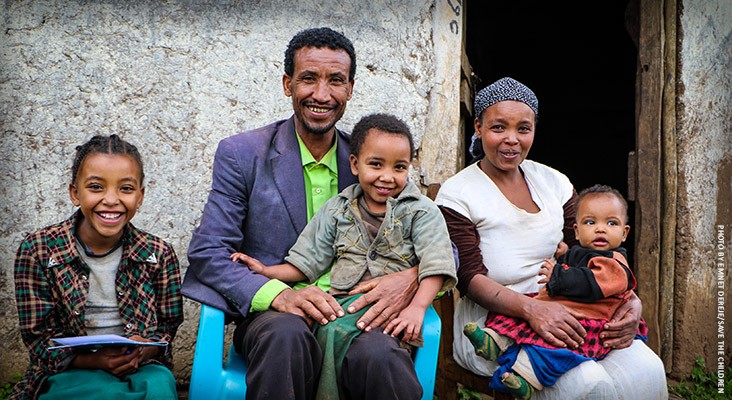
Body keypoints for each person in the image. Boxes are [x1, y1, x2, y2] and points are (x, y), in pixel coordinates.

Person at [183, 27, 434, 400]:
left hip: (357, 312)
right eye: (308, 79)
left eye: (335, 81)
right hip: (276, 320)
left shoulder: (371, 163)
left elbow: (440, 241)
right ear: (288, 84)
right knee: (286, 335)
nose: (321, 94)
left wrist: (408, 279)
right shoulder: (242, 155)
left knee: (380, 354)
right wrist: (276, 294)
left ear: (349, 89)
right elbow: (209, 252)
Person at [434, 77, 668, 399]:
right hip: (493, 325)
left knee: (647, 369)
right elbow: (467, 276)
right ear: (477, 126)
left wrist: (629, 301)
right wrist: (533, 311)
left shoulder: (553, 181)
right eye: (498, 127)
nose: (511, 140)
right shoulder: (458, 193)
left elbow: (591, 251)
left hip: (579, 309)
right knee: (589, 383)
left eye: (523, 129)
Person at [231, 113, 457, 399]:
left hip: (388, 316)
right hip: (342, 306)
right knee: (323, 329)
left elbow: (436, 263)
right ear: (354, 164)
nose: (387, 177)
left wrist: (417, 308)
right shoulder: (337, 209)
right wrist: (266, 272)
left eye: (399, 167)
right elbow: (308, 261)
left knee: (375, 353)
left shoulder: (421, 212)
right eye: (376, 164)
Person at [11, 134, 183, 400]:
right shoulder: (39, 250)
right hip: (70, 370)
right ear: (74, 193)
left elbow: (167, 328)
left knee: (158, 387)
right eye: (96, 187)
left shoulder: (157, 254)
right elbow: (38, 340)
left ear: (140, 196)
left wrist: (144, 350)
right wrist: (94, 361)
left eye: (125, 188)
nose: (111, 199)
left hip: (141, 369)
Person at [463, 184, 646, 399]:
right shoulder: (584, 251)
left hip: (588, 319)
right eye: (590, 222)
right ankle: (494, 341)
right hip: (560, 306)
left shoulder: (614, 262)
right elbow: (579, 262)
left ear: (625, 233)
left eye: (611, 223)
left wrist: (558, 276)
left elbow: (589, 282)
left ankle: (525, 379)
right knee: (515, 314)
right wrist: (565, 252)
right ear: (576, 231)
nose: (600, 228)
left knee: (553, 349)